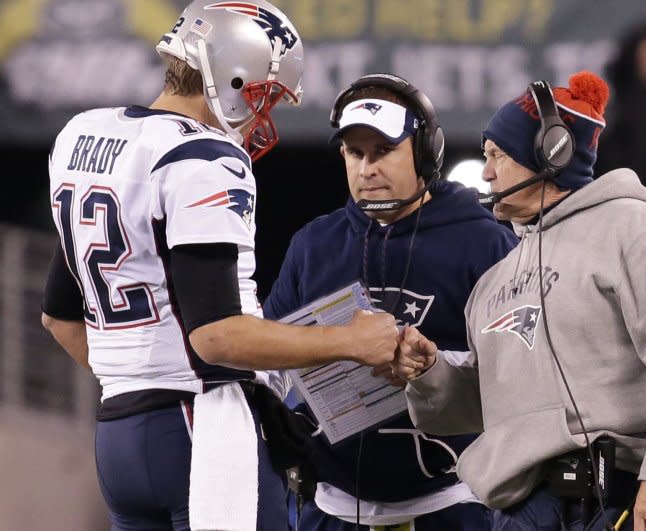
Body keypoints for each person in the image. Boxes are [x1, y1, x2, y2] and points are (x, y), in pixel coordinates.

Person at [40, 2, 398, 530]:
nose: (262, 114)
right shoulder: (204, 158)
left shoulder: (85, 135)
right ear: (232, 77)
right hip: (202, 429)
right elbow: (217, 338)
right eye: (264, 96)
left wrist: (139, 384)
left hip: (117, 434)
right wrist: (351, 341)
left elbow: (59, 316)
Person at [393, 71, 646, 530]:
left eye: (497, 155)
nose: (487, 171)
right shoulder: (494, 281)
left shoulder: (635, 228)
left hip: (623, 493)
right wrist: (431, 374)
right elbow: (490, 406)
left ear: (550, 153)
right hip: (522, 508)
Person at [262, 73, 518, 530]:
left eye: (383, 151)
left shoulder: (485, 244)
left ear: (424, 153)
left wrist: (434, 368)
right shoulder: (315, 244)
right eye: (355, 153)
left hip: (453, 499)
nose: (367, 169)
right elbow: (270, 356)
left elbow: (521, 370)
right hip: (333, 501)